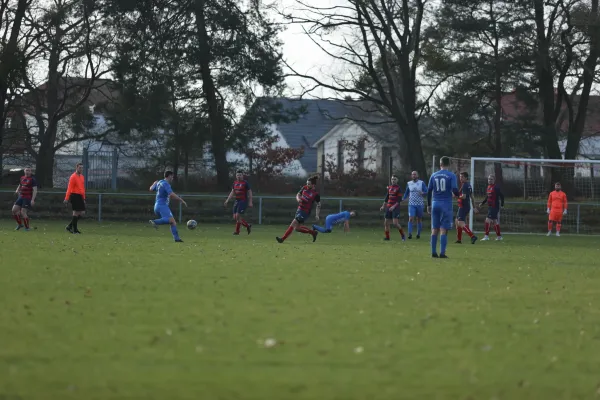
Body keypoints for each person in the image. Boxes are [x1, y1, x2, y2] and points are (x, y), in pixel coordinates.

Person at [427, 156, 460, 258]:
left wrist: (428, 205)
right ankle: (442, 253)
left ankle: (433, 252)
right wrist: (458, 195)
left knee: (434, 228)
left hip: (435, 203)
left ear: (440, 164)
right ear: (448, 164)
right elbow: (454, 190)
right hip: (446, 204)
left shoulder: (433, 175)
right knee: (443, 229)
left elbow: (429, 191)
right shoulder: (451, 175)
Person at [276, 175, 320, 243]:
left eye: (309, 184)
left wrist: (317, 215)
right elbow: (298, 194)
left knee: (293, 223)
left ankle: (282, 239)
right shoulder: (304, 188)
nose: (307, 185)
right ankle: (313, 232)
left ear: (313, 185)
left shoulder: (315, 194)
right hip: (299, 209)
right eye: (307, 183)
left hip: (305, 212)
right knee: (297, 228)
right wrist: (298, 199)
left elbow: (319, 204)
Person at [149, 171, 187, 242]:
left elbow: (151, 189)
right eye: (172, 176)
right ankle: (155, 222)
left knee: (172, 222)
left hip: (157, 206)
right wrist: (181, 200)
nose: (172, 178)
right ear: (169, 176)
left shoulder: (160, 182)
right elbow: (171, 194)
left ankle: (177, 239)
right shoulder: (166, 184)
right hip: (162, 205)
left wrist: (154, 183)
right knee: (170, 220)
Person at [224, 170, 253, 235]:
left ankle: (237, 231)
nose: (239, 176)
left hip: (243, 201)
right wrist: (227, 200)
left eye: (240, 175)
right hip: (237, 201)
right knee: (235, 217)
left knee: (237, 216)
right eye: (237, 175)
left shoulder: (245, 183)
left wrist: (250, 201)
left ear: (242, 176)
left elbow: (250, 192)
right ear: (236, 176)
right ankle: (247, 226)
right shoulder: (235, 183)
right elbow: (232, 192)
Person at [380, 175, 406, 241]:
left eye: (394, 179)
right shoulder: (389, 188)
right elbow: (387, 198)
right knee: (386, 223)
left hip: (395, 207)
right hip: (389, 207)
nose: (393, 180)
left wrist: (393, 206)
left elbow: (399, 200)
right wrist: (383, 206)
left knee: (395, 223)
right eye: (392, 179)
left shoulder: (398, 188)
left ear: (397, 180)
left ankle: (403, 235)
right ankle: (387, 237)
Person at [479, 174, 504, 241]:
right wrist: (483, 203)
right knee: (495, 221)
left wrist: (502, 204)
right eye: (489, 179)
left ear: (494, 180)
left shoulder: (496, 187)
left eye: (491, 179)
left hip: (494, 206)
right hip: (490, 207)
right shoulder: (488, 187)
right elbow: (487, 197)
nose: (489, 180)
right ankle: (499, 237)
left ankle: (486, 236)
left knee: (487, 220)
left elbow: (502, 196)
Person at [403, 171, 427, 239]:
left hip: (420, 204)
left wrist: (423, 193)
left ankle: (418, 234)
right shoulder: (409, 183)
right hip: (411, 204)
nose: (413, 175)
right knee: (411, 218)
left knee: (419, 219)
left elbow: (427, 191)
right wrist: (403, 198)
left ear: (417, 175)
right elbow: (406, 193)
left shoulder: (421, 183)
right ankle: (410, 234)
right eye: (412, 174)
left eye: (415, 174)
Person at [454, 172, 477, 244]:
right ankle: (459, 239)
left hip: (463, 206)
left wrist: (457, 196)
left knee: (460, 222)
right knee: (457, 221)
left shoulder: (465, 186)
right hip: (464, 206)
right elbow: (472, 197)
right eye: (460, 177)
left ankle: (472, 236)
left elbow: (463, 197)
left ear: (466, 178)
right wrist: (474, 207)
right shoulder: (468, 185)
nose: (461, 178)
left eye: (462, 177)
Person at [12, 167, 37, 231]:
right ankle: (20, 224)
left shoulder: (32, 179)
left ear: (31, 172)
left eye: (29, 170)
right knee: (14, 210)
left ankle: (27, 228)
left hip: (27, 198)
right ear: (24, 171)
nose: (27, 172)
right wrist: (17, 190)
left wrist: (33, 199)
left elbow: (35, 190)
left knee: (23, 212)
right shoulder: (22, 178)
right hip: (21, 197)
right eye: (26, 170)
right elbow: (20, 185)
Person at [64, 162, 86, 234]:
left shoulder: (82, 177)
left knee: (82, 212)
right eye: (80, 168)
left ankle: (69, 226)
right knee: (76, 213)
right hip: (74, 195)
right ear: (76, 168)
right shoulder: (73, 177)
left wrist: (83, 198)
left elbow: (82, 188)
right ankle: (75, 230)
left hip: (80, 196)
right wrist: (66, 198)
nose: (81, 169)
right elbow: (69, 188)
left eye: (82, 168)